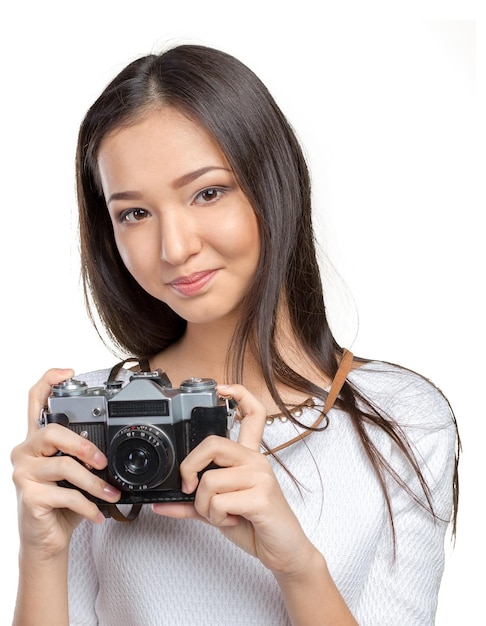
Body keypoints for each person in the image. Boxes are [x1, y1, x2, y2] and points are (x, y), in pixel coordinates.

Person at [11, 43, 459, 626]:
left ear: (273, 184)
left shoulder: (399, 419)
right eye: (134, 214)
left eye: (207, 192)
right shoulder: (93, 424)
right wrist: (41, 553)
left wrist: (298, 566)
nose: (175, 248)